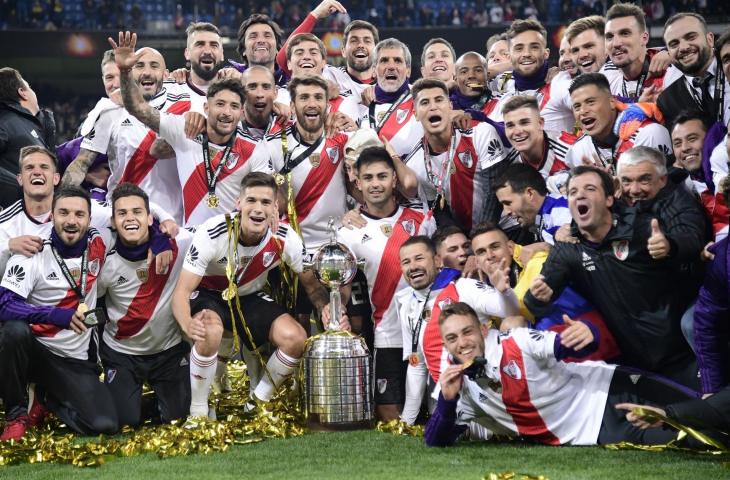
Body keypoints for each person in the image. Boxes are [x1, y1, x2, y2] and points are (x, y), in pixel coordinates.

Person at [424, 302, 698, 447]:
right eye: (452, 338)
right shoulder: (456, 383)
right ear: (446, 345)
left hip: (611, 389)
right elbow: (435, 440)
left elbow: (565, 346)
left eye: (467, 332)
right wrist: (447, 402)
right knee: (694, 443)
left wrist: (586, 334)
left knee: (703, 412)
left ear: (483, 330)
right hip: (599, 433)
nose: (462, 343)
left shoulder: (517, 341)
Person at [172, 172, 331, 417]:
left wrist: (325, 307)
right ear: (239, 204)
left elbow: (311, 285)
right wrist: (187, 323)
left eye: (266, 202)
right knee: (209, 330)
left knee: (296, 338)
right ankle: (199, 412)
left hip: (249, 297)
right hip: (210, 295)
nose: (258, 209)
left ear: (275, 209)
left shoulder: (285, 238)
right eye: (252, 200)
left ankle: (257, 402)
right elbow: (182, 291)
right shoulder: (213, 232)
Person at [524, 166, 698, 387]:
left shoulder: (640, 227)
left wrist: (671, 247)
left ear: (608, 199)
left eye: (589, 189)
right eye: (573, 192)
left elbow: (691, 246)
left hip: (682, 353)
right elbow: (537, 303)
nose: (580, 195)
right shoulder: (568, 250)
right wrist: (537, 296)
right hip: (636, 367)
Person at [112, 31, 271, 227]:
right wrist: (126, 72)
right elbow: (138, 108)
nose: (227, 112)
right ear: (206, 107)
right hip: (189, 237)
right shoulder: (184, 131)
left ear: (242, 112)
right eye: (220, 104)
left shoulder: (255, 148)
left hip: (235, 239)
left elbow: (265, 192)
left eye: (234, 106)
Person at [0, 186, 118, 440]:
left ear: (89, 219)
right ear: (52, 216)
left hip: (75, 360)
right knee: (13, 331)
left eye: (79, 214)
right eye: (63, 213)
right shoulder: (32, 253)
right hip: (36, 352)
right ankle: (16, 414)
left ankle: (46, 398)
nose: (71, 221)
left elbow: (137, 223)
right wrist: (55, 315)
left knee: (104, 424)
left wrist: (161, 237)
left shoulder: (99, 245)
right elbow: (4, 305)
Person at [335, 146, 437, 421]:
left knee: (436, 407)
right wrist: (337, 312)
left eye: (382, 176)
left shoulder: (421, 220)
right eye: (368, 178)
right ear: (358, 182)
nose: (375, 184)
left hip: (430, 330)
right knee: (389, 415)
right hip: (388, 334)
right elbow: (341, 286)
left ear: (394, 179)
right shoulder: (349, 232)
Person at [65, 34, 192, 224]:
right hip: (123, 220)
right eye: (139, 66)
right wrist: (61, 202)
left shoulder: (185, 105)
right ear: (130, 72)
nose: (147, 72)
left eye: (154, 66)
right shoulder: (109, 111)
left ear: (166, 74)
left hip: (173, 223)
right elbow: (81, 164)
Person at [396, 236, 519, 424]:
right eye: (406, 262)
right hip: (449, 404)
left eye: (419, 258)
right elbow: (416, 364)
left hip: (488, 401)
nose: (412, 266)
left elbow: (510, 311)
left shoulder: (463, 287)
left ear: (437, 261)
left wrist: (504, 292)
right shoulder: (405, 304)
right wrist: (407, 422)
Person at [98, 183, 192, 427]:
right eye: (122, 213)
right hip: (122, 354)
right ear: (113, 222)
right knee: (124, 422)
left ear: (151, 218)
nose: (130, 218)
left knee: (178, 421)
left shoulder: (177, 245)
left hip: (168, 351)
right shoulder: (103, 261)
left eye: (137, 212)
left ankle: (158, 400)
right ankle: (125, 397)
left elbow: (215, 232)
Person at [0, 145, 176, 275]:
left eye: (44, 167)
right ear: (20, 179)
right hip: (26, 314)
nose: (37, 172)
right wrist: (7, 247)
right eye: (29, 168)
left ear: (56, 178)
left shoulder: (81, 210)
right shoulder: (5, 222)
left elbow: (128, 209)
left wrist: (163, 223)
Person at [404, 78, 511, 230]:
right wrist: (458, 240)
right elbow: (440, 212)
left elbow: (495, 188)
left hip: (507, 227)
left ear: (450, 106)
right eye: (425, 102)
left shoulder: (481, 132)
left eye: (439, 100)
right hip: (467, 240)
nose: (433, 107)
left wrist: (480, 237)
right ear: (415, 113)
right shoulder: (415, 163)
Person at [565, 73, 672, 173]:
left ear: (612, 102)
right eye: (577, 107)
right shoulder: (577, 151)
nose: (583, 111)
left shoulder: (648, 133)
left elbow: (656, 188)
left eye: (590, 102)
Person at [488, 19, 574, 134]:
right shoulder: (503, 82)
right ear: (510, 55)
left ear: (546, 53)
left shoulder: (559, 82)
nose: (527, 54)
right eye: (519, 48)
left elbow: (585, 103)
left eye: (534, 47)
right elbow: (468, 81)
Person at [658, 13, 727, 127]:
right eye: (674, 44)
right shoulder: (667, 100)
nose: (684, 47)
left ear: (710, 39)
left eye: (691, 37)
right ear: (669, 53)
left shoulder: (727, 69)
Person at [0, 67, 55, 208]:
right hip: (14, 218)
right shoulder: (6, 123)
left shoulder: (30, 126)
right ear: (22, 93)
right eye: (29, 87)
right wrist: (22, 188)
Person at [602, 3, 680, 103]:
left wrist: (671, 53)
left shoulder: (669, 69)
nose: (616, 43)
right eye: (609, 36)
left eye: (625, 33)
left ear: (644, 38)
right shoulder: (605, 75)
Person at [671, 111, 728, 240]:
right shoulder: (684, 189)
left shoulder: (726, 173)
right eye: (677, 143)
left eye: (692, 139)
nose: (684, 148)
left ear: (710, 139)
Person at [364, 38, 423, 158]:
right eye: (384, 60)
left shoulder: (422, 98)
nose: (391, 66)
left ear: (408, 71)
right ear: (374, 70)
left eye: (397, 61)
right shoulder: (359, 101)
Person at [500, 95, 573, 192]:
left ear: (540, 123)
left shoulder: (572, 149)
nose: (517, 132)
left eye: (524, 122)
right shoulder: (509, 163)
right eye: (510, 125)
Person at [494, 163, 571, 246]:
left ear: (530, 193)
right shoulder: (540, 217)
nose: (506, 212)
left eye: (508, 203)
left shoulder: (561, 212)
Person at [231, 14, 288, 87]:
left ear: (277, 48)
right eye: (253, 36)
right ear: (244, 50)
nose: (261, 40)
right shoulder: (231, 78)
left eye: (267, 36)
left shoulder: (291, 78)